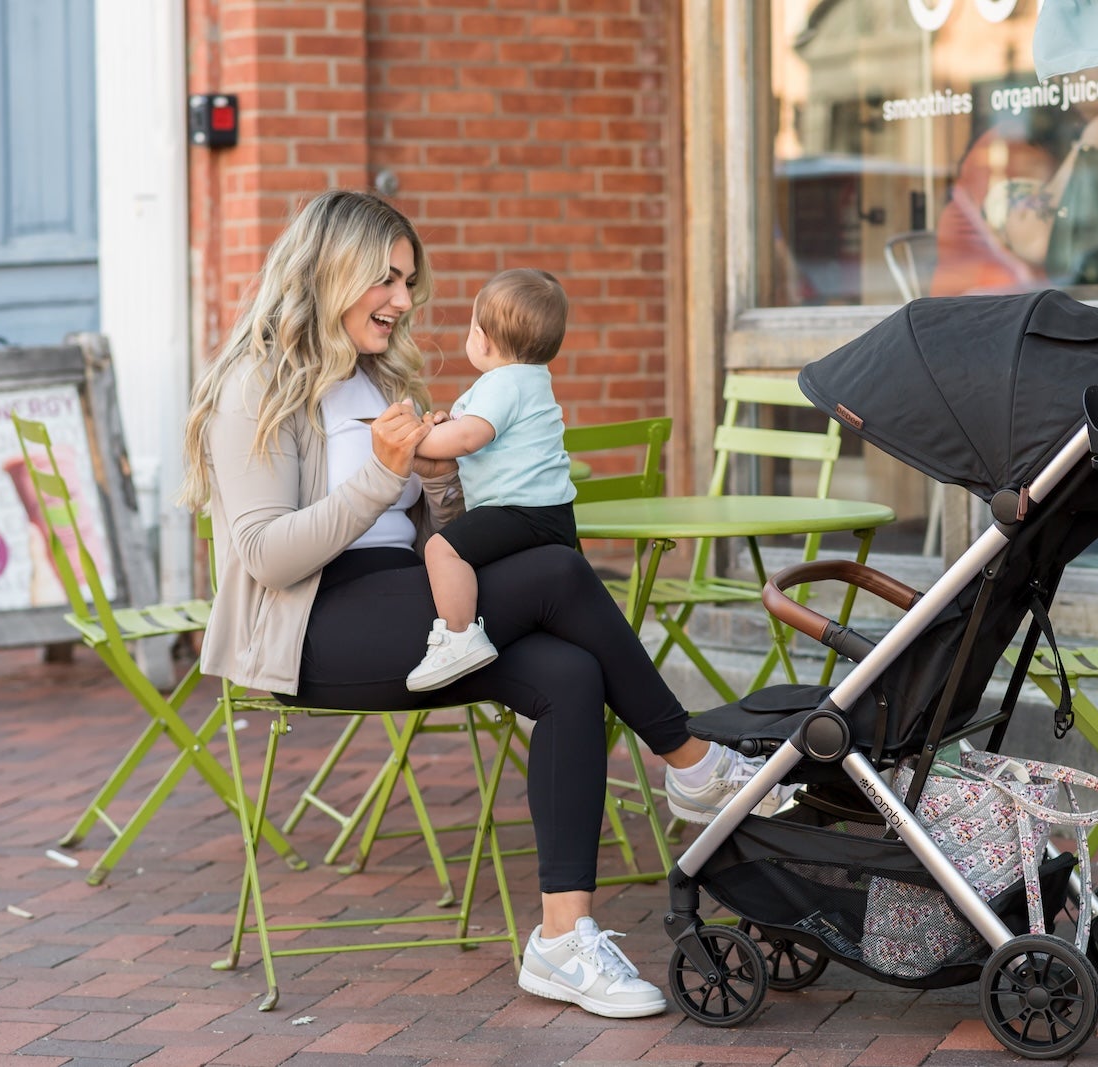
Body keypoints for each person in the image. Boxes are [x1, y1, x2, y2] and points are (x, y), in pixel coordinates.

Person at [179, 189, 794, 1020]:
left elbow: (431, 534)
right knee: (559, 574)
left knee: (572, 675)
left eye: (407, 281)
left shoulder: (372, 376)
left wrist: (437, 482)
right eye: (387, 280)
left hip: (408, 605)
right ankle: (691, 763)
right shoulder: (260, 382)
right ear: (331, 273)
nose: (404, 300)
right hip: (312, 625)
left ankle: (561, 941)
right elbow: (264, 556)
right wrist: (380, 476)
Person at [403, 268, 577, 692]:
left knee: (442, 548)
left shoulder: (503, 381)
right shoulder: (528, 379)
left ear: (481, 338)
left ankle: (458, 636)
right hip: (547, 514)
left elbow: (467, 437)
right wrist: (445, 427)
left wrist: (418, 438)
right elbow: (468, 429)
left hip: (522, 512)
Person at [930, 107, 1098, 297]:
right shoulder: (994, 292)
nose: (1049, 206)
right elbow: (1040, 238)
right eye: (1024, 209)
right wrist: (1084, 149)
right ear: (999, 242)